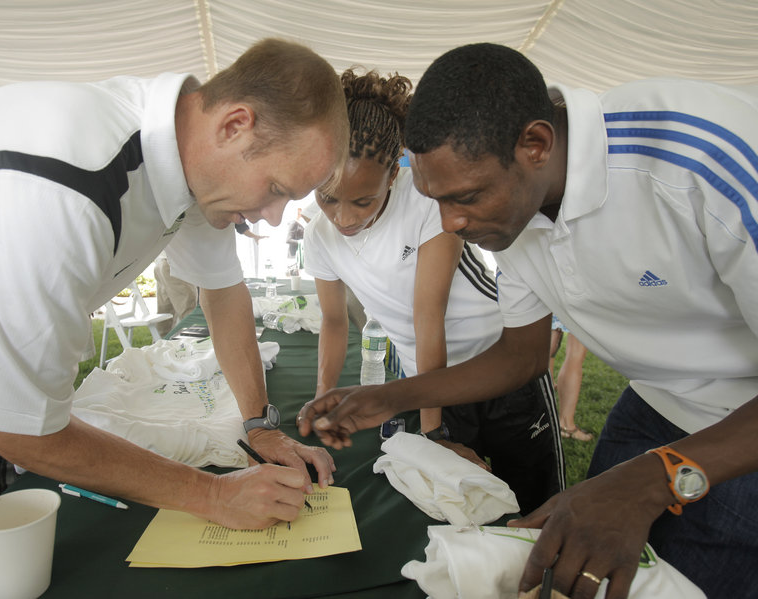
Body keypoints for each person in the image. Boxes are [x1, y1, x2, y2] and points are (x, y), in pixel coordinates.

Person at [297, 42, 758, 599]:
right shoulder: (513, 208)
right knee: (580, 570)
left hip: (740, 421)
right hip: (653, 403)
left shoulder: (701, 160)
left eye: (465, 197)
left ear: (536, 145)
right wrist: (392, 397)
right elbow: (521, 355)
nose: (450, 223)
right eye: (434, 200)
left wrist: (653, 479)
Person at [0, 38, 349, 532]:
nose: (272, 220)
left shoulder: (188, 159)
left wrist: (257, 427)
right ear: (234, 126)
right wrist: (213, 495)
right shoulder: (68, 190)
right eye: (275, 190)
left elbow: (223, 292)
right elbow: (25, 435)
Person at [304, 68, 564, 514]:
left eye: (362, 201)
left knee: (534, 498)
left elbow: (429, 315)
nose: (343, 218)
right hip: (430, 381)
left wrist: (432, 433)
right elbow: (332, 320)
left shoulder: (426, 202)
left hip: (498, 361)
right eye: (328, 198)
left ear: (392, 174)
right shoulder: (317, 236)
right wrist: (325, 397)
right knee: (454, 503)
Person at [549, 316, 592, 442]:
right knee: (576, 353)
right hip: (577, 301)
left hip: (552, 298)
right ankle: (566, 425)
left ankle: (547, 386)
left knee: (550, 341)